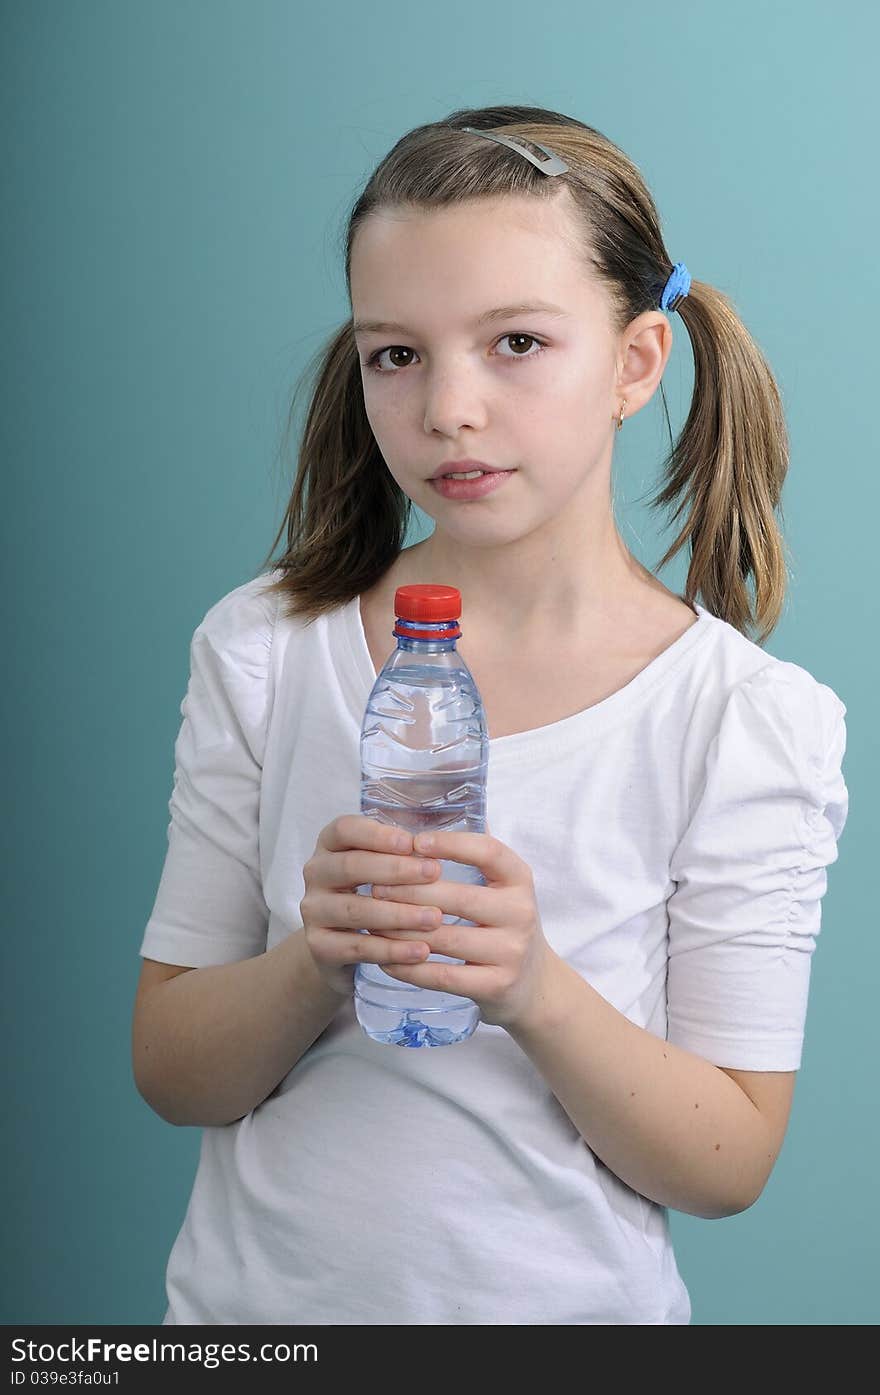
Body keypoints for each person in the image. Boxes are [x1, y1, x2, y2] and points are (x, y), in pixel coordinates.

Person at [131, 106, 850, 1326]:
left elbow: (727, 1162)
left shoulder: (743, 720)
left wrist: (533, 986)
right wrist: (319, 958)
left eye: (515, 341)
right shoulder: (264, 649)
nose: (446, 409)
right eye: (394, 355)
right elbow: (172, 1069)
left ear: (635, 363)